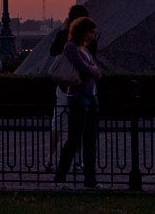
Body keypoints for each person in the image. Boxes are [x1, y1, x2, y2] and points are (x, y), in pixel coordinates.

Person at [53, 16, 102, 189]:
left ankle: (90, 180)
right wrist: (93, 70)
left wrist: (93, 71)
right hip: (78, 97)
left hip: (90, 96)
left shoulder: (84, 50)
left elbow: (96, 71)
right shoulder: (71, 47)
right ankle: (60, 178)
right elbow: (84, 69)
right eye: (91, 32)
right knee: (74, 139)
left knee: (90, 140)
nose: (93, 35)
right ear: (83, 31)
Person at [45, 4, 93, 171]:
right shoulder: (85, 39)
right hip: (79, 86)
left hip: (64, 86)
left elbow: (53, 52)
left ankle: (51, 160)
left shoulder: (63, 35)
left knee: (58, 124)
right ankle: (77, 161)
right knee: (79, 124)